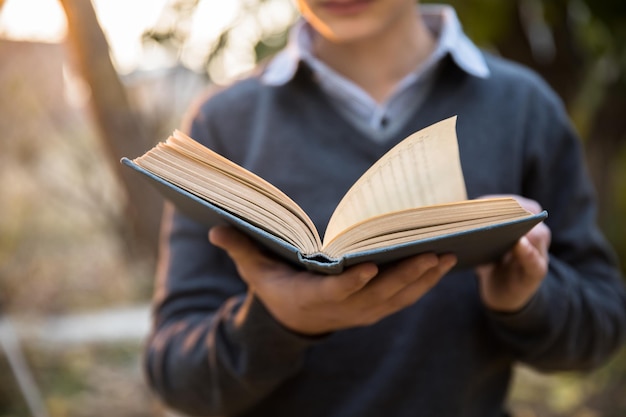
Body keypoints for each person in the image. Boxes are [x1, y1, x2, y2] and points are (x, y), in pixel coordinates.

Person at [143, 1, 626, 416]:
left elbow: (601, 327)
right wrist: (278, 324)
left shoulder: (523, 108)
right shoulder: (224, 122)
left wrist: (526, 301)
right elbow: (175, 372)